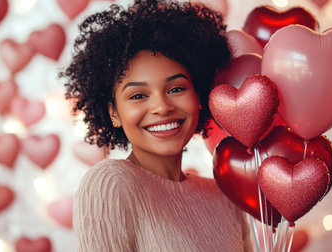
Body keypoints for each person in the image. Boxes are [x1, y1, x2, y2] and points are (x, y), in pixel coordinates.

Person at [60, 0, 253, 251]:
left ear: (199, 96)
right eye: (138, 95)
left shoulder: (224, 196)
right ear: (114, 113)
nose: (162, 106)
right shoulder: (110, 184)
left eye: (176, 89)